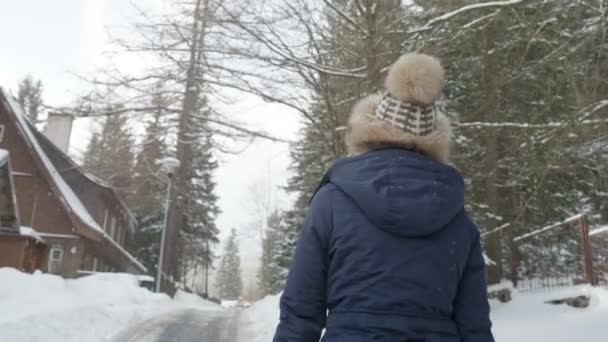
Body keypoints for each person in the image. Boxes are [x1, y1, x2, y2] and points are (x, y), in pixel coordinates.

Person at [273, 53, 494, 342]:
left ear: (370, 128)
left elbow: (301, 309)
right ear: (434, 139)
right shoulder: (457, 218)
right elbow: (474, 326)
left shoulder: (332, 202)